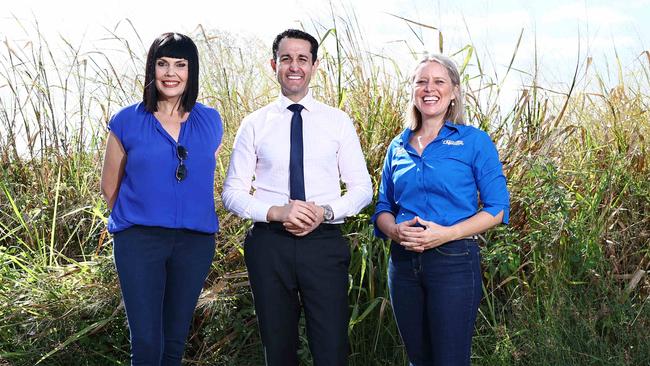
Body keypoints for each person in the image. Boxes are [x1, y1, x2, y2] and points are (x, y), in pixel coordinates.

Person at [222, 29, 372, 366]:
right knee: (278, 351)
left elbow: (362, 188)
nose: (294, 66)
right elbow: (231, 192)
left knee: (332, 348)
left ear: (315, 66)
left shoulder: (338, 122)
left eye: (302, 59)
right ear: (273, 64)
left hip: (324, 244)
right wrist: (276, 211)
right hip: (269, 245)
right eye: (286, 58)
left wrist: (326, 211)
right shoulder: (254, 124)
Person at [372, 54, 510, 366]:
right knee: (418, 360)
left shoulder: (474, 141)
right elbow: (383, 207)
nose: (429, 88)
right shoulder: (397, 146)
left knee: (450, 360)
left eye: (439, 81)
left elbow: (497, 208)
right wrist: (393, 229)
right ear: (412, 90)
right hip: (403, 264)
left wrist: (447, 234)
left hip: (454, 262)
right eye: (421, 81)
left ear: (454, 92)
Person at [100, 32, 223, 365]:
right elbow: (109, 185)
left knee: (174, 340)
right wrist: (138, 224)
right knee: (147, 341)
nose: (171, 73)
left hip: (195, 243)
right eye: (163, 63)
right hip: (140, 241)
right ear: (152, 69)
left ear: (191, 71)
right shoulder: (127, 120)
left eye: (180, 64)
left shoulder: (210, 121)